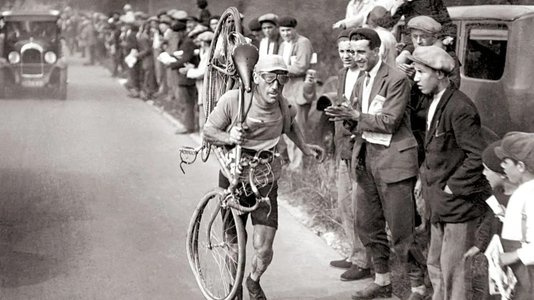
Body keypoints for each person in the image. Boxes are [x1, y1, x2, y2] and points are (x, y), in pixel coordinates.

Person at [203, 55, 324, 300]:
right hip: (234, 175)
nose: (275, 86)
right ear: (256, 77)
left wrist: (306, 149)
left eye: (281, 79)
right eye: (270, 79)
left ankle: (253, 281)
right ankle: (232, 287)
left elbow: (290, 128)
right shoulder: (234, 101)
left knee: (264, 249)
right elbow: (208, 131)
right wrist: (229, 138)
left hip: (265, 178)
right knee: (234, 243)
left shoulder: (284, 106)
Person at [325, 28, 426, 300]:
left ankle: (418, 287)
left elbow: (389, 121)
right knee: (368, 225)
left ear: (376, 51)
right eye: (352, 51)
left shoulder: (396, 79)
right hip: (367, 160)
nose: (356, 57)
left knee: (402, 231)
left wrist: (355, 114)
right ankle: (382, 281)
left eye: (361, 52)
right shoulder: (361, 79)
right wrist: (342, 116)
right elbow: (357, 118)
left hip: (394, 162)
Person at [409, 45, 492, 300]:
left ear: (441, 74)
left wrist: (451, 187)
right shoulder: (433, 101)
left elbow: (477, 155)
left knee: (454, 269)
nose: (416, 78)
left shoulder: (460, 107)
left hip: (456, 204)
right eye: (415, 72)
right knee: (436, 263)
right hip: (439, 201)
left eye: (421, 72)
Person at [327, 29, 372, 282]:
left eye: (351, 51)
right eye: (342, 51)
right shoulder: (343, 74)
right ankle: (354, 252)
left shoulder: (366, 75)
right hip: (344, 144)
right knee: (344, 202)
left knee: (359, 205)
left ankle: (364, 261)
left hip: (360, 146)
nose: (346, 56)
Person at [494, 131, 534, 299]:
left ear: (521, 166)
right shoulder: (523, 191)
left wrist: (514, 256)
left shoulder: (530, 194)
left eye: (506, 162)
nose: (502, 166)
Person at [277, 16, 314, 170]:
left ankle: (300, 165)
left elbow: (301, 67)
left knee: (299, 128)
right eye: (283, 30)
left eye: (288, 30)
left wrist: (280, 69)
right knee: (287, 127)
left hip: (299, 89)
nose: (286, 33)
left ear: (294, 29)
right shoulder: (282, 45)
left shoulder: (303, 43)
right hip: (286, 90)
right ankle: (293, 162)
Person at [167, 20, 199, 134]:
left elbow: (186, 58)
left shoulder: (187, 42)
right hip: (185, 75)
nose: (175, 35)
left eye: (177, 33)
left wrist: (172, 64)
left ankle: (188, 126)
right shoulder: (184, 41)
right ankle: (188, 124)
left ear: (182, 32)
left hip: (187, 77)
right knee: (187, 102)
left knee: (187, 102)